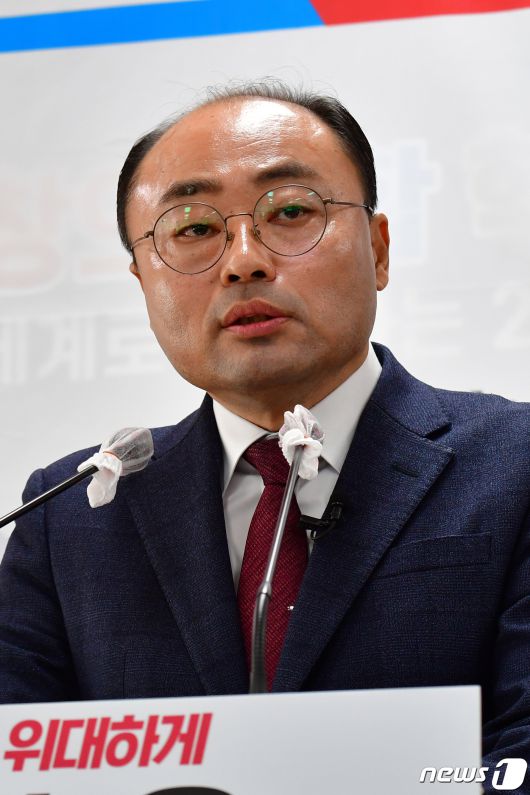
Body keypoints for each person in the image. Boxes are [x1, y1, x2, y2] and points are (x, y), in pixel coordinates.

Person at [0, 82, 529, 790]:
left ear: (377, 250)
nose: (243, 260)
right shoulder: (69, 515)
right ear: (142, 281)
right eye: (194, 229)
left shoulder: (515, 464)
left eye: (289, 212)